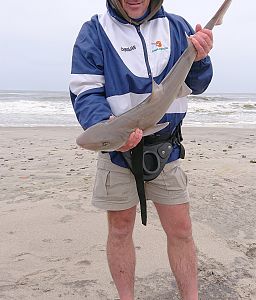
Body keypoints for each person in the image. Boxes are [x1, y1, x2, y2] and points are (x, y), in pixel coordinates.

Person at [70, 0, 213, 298]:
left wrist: (200, 58)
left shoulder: (176, 27)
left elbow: (197, 84)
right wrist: (106, 126)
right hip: (116, 151)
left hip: (167, 149)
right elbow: (85, 91)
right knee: (120, 229)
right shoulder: (95, 31)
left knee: (181, 230)